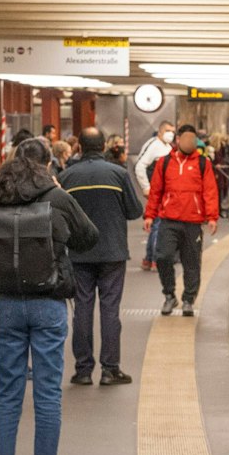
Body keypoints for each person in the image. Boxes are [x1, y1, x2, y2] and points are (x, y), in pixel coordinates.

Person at [0, 138, 97, 455]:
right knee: (48, 390)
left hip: (6, 302)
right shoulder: (55, 197)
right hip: (48, 302)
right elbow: (89, 237)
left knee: (8, 392)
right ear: (48, 163)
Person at [58, 127, 144, 386]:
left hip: (79, 252)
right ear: (104, 145)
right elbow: (134, 211)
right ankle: (110, 369)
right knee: (110, 310)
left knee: (82, 309)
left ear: (79, 147)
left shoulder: (67, 176)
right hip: (112, 252)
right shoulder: (118, 174)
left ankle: (83, 370)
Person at [144, 122, 220, 318]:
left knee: (192, 262)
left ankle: (188, 299)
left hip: (193, 222)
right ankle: (169, 294)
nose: (189, 142)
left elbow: (210, 192)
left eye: (193, 139)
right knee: (163, 257)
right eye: (186, 139)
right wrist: (150, 215)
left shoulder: (203, 164)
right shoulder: (165, 162)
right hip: (168, 220)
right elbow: (156, 191)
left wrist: (212, 217)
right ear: (178, 140)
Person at [133, 120, 175, 272]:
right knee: (158, 225)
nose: (171, 134)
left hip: (165, 192)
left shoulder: (167, 147)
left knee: (158, 224)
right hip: (156, 191)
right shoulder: (153, 145)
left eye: (173, 131)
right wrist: (146, 187)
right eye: (169, 130)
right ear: (161, 131)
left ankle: (150, 258)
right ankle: (154, 258)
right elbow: (139, 166)